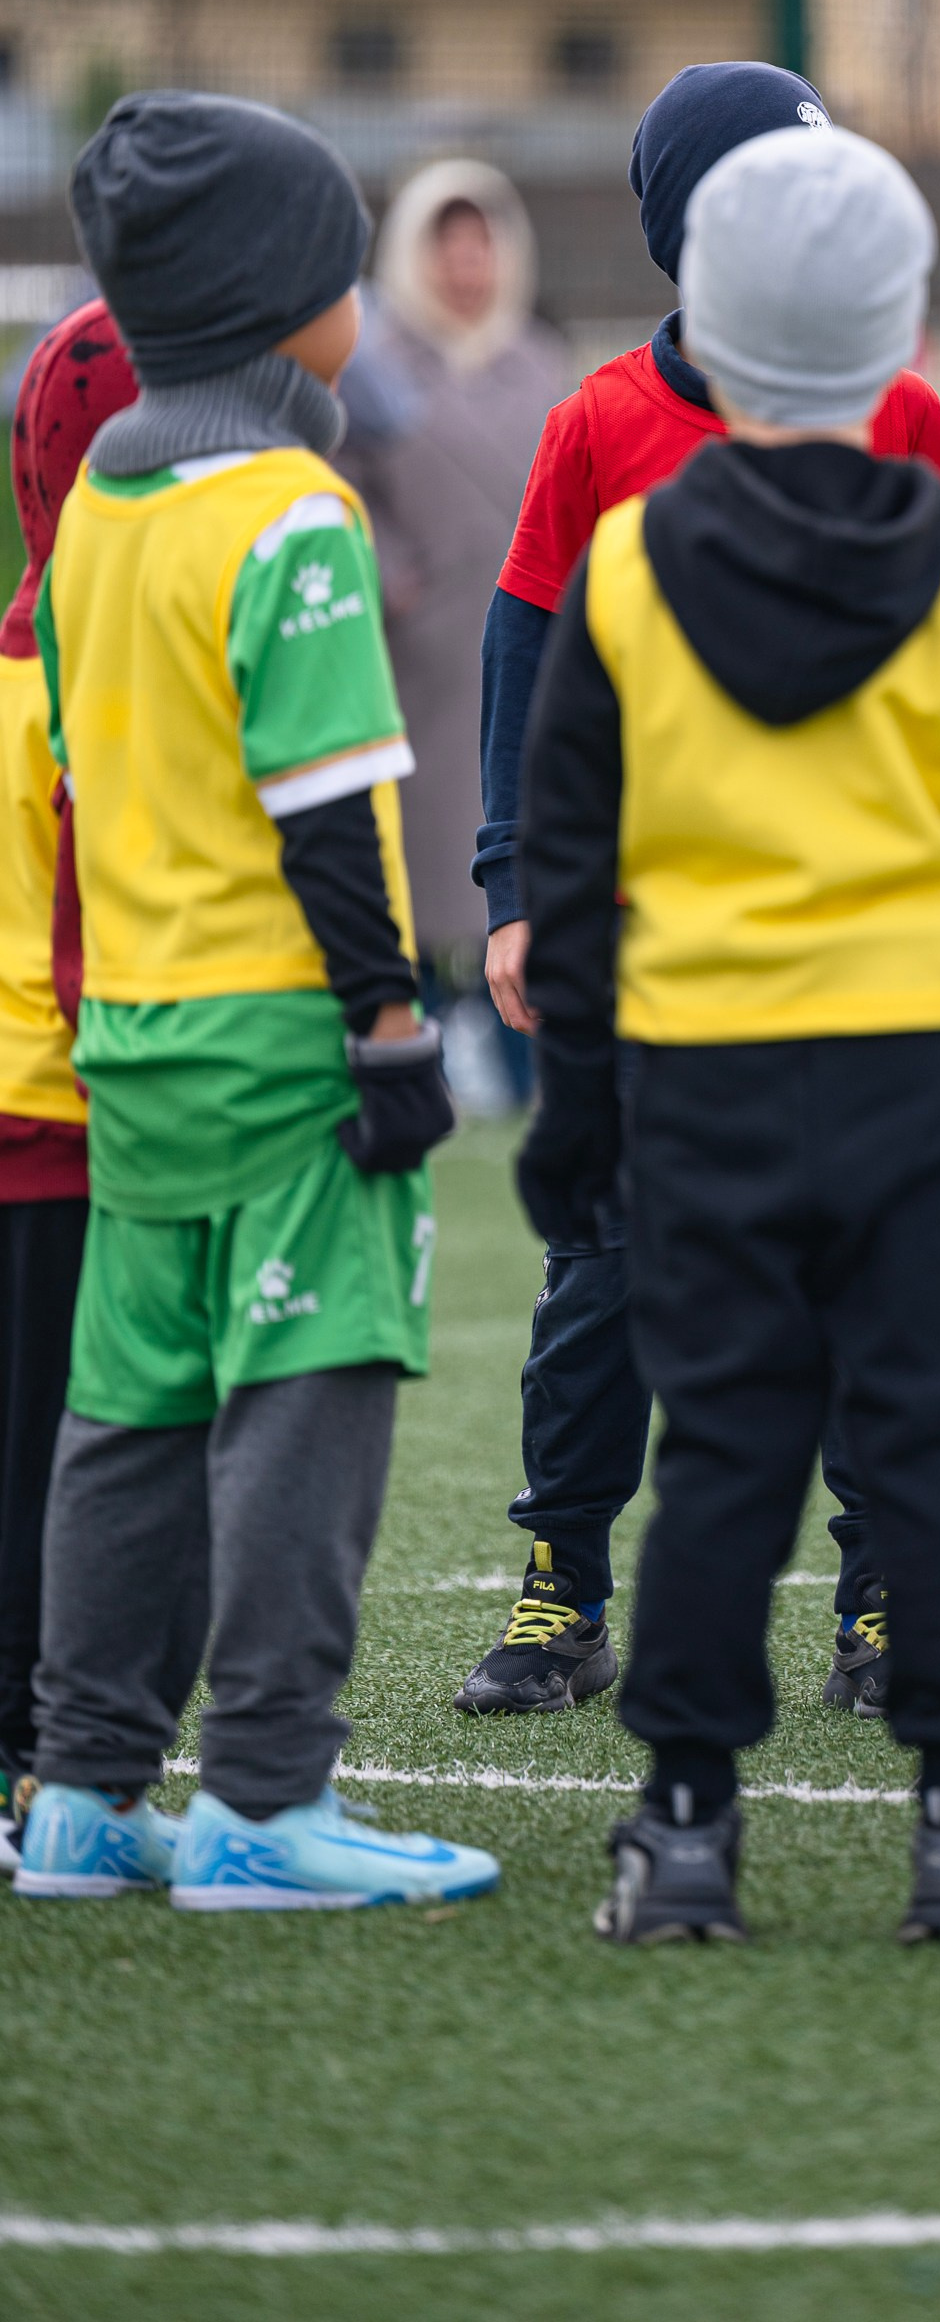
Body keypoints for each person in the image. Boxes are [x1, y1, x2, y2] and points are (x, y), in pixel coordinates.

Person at [514, 121, 940, 1944]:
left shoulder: (618, 577)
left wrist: (574, 1125)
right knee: (929, 1453)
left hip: (704, 1088)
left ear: (698, 314)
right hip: (922, 1087)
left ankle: (680, 1831)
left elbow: (573, 873)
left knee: (724, 1457)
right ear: (900, 330)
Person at [15, 92, 494, 1911]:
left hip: (132, 1040)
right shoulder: (294, 514)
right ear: (283, 302)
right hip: (287, 1038)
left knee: (127, 1413)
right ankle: (269, 1799)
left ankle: (84, 1794)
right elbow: (325, 813)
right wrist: (388, 1027)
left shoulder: (97, 516)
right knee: (308, 1392)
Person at [457, 61, 940, 1724]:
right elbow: (525, 657)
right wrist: (519, 881)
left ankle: (886, 1589)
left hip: (860, 945)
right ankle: (561, 1584)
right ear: (696, 234)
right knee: (607, 1276)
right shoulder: (601, 424)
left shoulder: (897, 414)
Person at [337, 159, 567, 1102]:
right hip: (421, 659)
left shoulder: (544, 364)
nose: (466, 266)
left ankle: (524, 1059)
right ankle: (422, 1046)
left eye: (482, 245)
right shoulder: (374, 364)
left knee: (525, 840)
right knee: (421, 867)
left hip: (530, 653)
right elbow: (338, 475)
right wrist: (392, 576)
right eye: (447, 245)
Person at [0, 301, 137, 1871]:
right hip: (77, 1127)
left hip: (42, 1125)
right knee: (74, 1459)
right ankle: (51, 1755)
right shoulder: (95, 695)